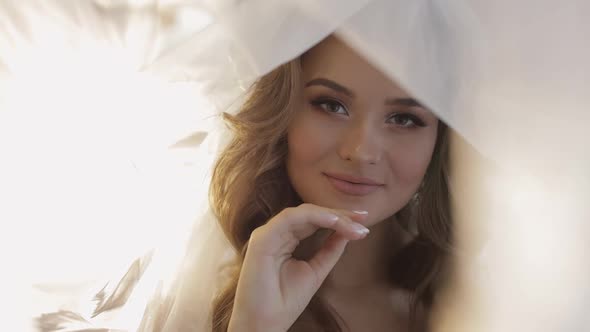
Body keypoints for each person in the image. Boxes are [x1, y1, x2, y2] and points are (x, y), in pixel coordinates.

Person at [207, 35, 451, 332]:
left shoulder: (488, 298)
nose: (361, 152)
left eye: (403, 119)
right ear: (281, 112)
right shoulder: (200, 296)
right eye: (331, 105)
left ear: (440, 140)